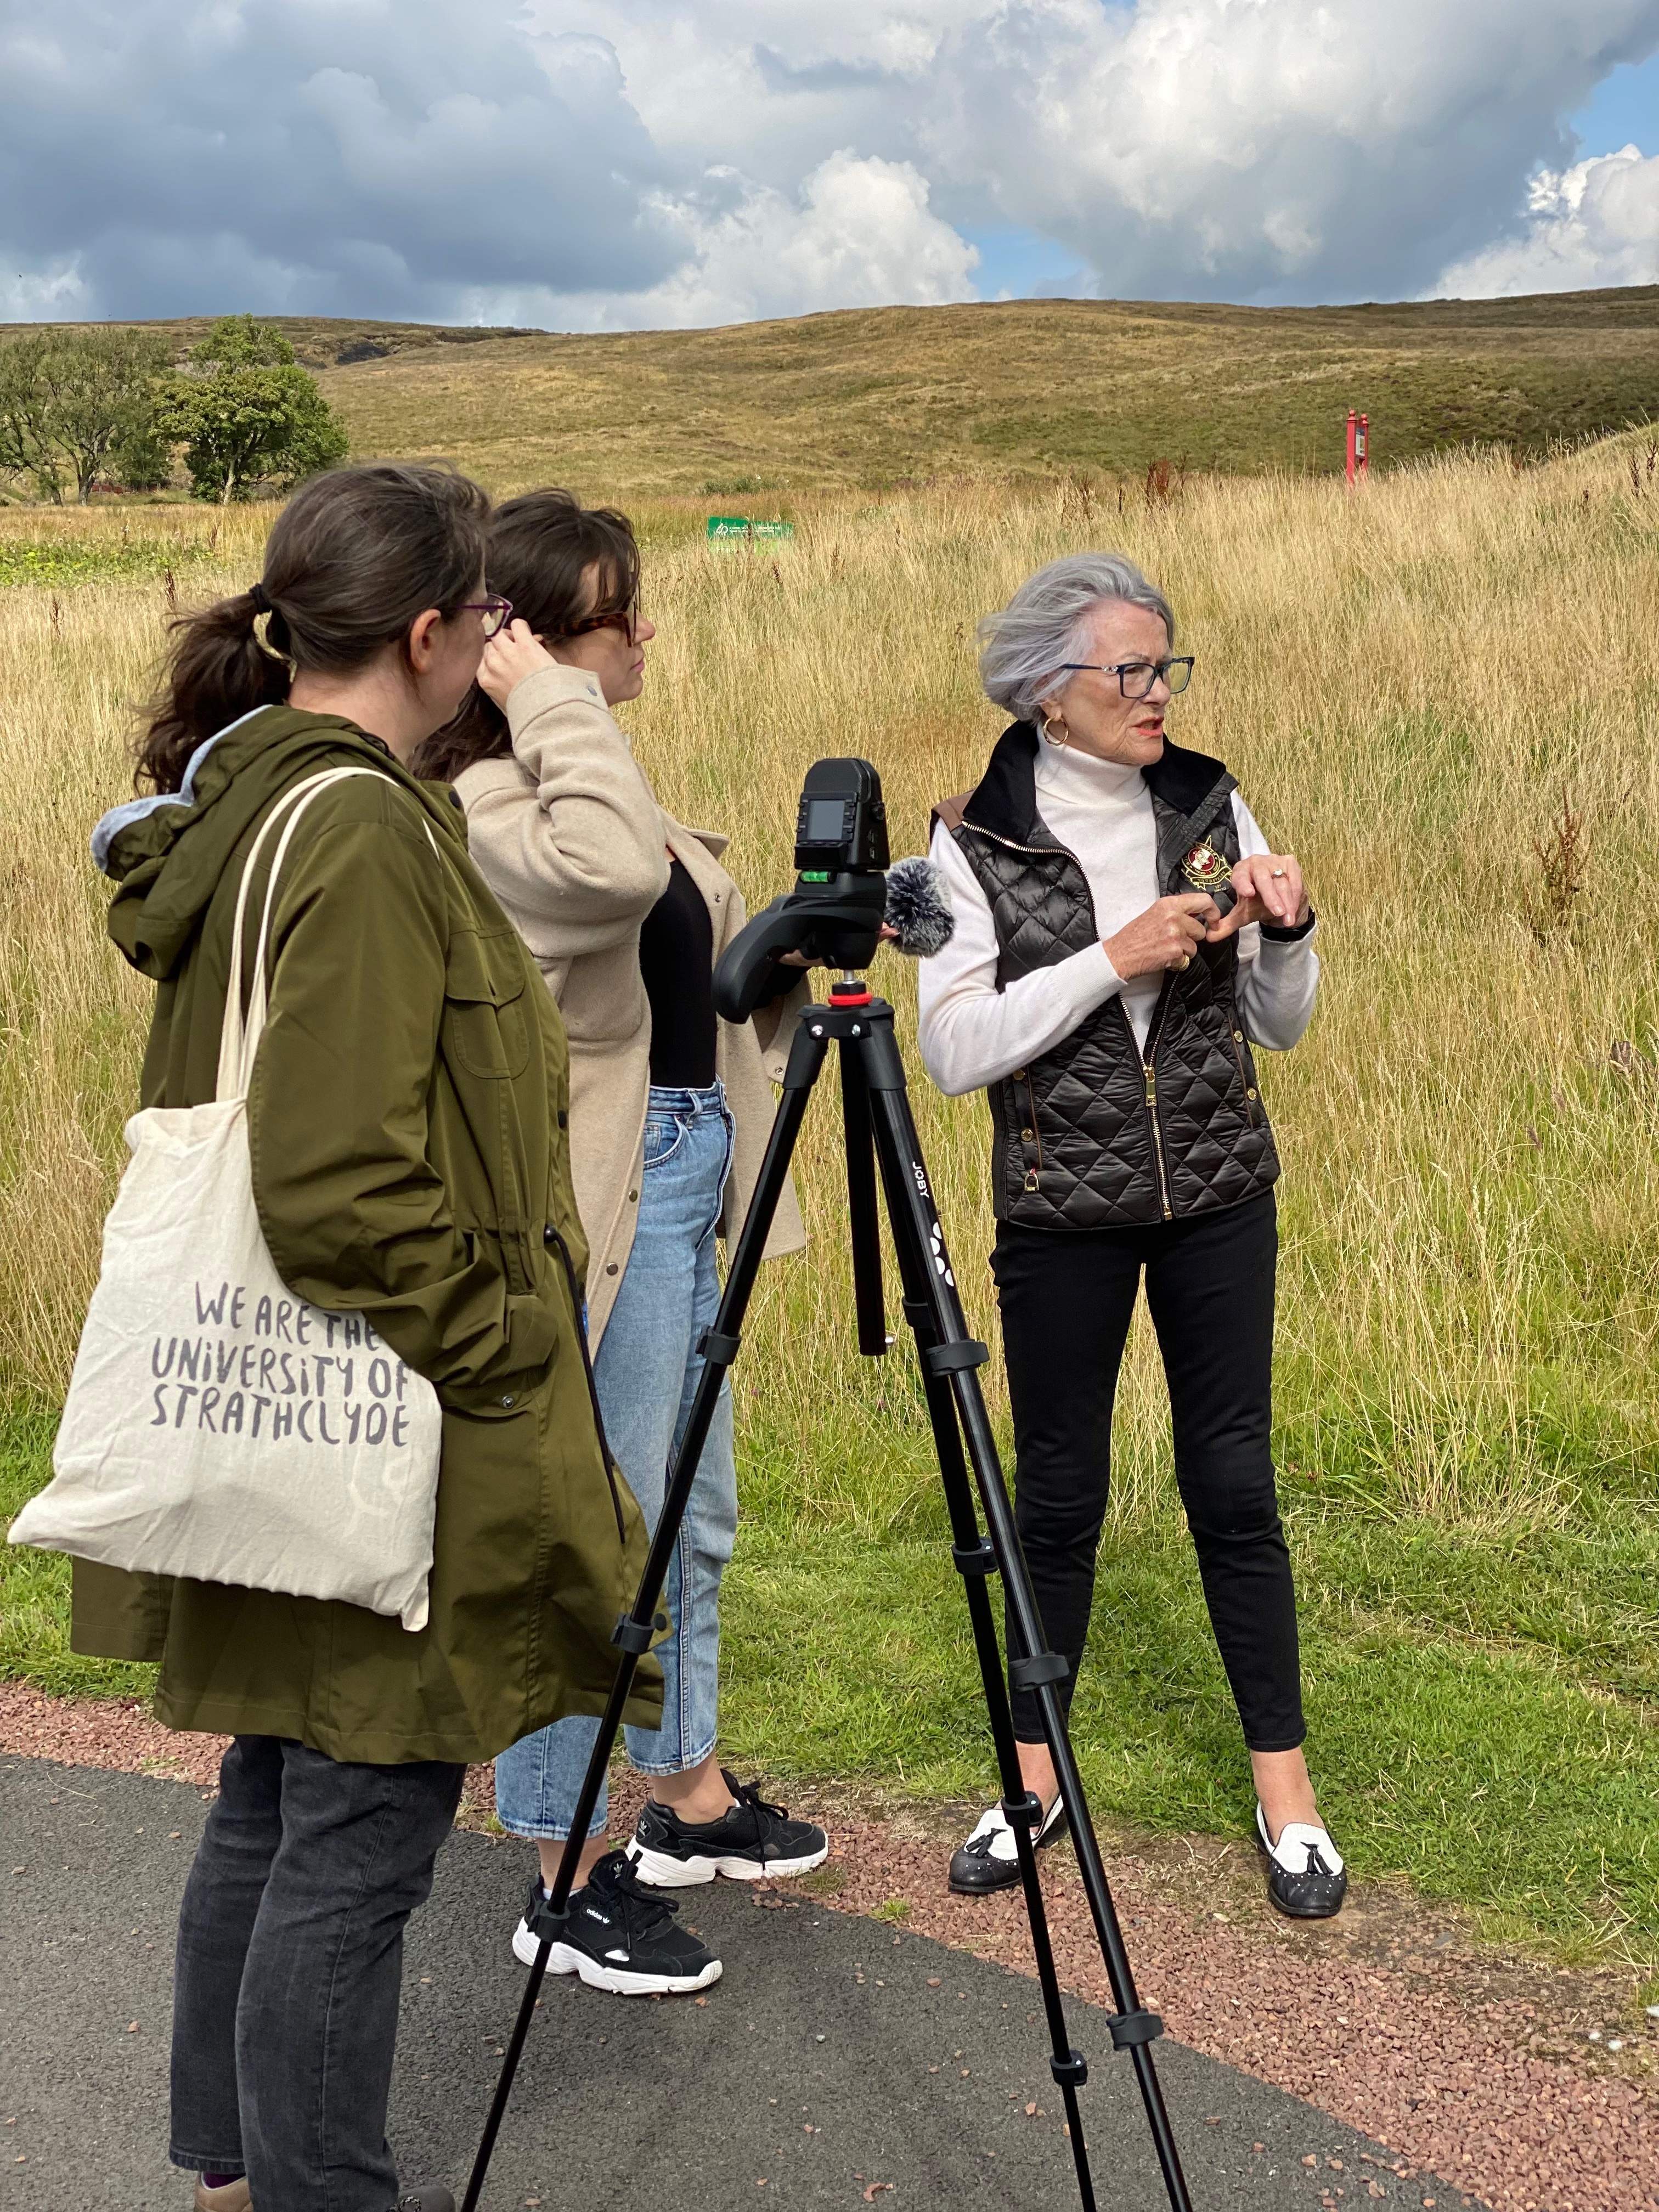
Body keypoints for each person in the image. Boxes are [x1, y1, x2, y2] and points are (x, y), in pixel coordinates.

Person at [71, 462, 664, 2212]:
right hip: (383, 1412)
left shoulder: (250, 801)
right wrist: (498, 1352)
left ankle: (237, 2178)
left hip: (289, 1400)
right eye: (487, 620)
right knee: (359, 1830)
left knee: (277, 1796)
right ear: (429, 633)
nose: (497, 645)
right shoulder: (359, 827)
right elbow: (335, 1176)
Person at [415, 489, 827, 1999]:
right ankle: (559, 1866)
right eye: (610, 618)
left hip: (682, 1171)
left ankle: (689, 1798)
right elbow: (603, 885)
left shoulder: (591, 783)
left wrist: (791, 944)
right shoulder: (493, 800)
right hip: (599, 1204)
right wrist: (548, 703)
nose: (645, 632)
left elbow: (682, 977)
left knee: (689, 1519)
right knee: (595, 1539)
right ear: (521, 643)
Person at [918, 551, 1346, 1920]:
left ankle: (1289, 1801)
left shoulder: (1207, 798)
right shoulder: (976, 834)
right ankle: (1035, 1784)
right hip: (1064, 1215)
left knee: (1234, 1490)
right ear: (1053, 693)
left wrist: (1285, 930)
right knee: (1058, 1497)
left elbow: (1281, 1023)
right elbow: (951, 1048)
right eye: (1133, 671)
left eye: (1169, 667)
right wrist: (1117, 955)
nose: (1159, 692)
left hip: (1223, 1194)